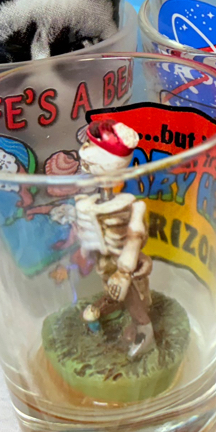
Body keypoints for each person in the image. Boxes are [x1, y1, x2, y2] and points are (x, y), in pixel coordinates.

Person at [72, 119, 155, 359]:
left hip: (126, 266)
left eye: (92, 144)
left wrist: (125, 271)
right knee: (109, 291)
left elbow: (134, 237)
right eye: (88, 143)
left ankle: (145, 330)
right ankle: (113, 311)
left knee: (131, 295)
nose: (85, 149)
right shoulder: (88, 203)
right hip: (106, 264)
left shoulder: (131, 206)